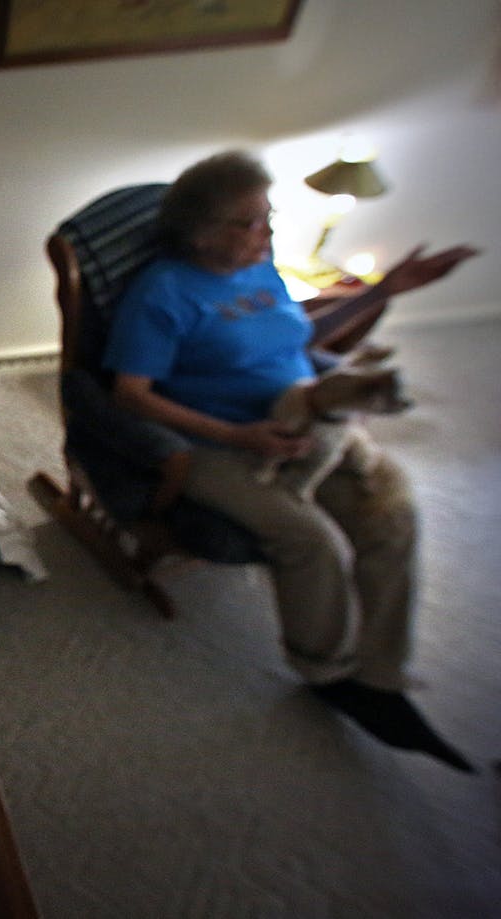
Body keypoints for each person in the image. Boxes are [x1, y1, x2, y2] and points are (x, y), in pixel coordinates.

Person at [103, 149, 479, 771]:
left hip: (305, 417)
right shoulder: (161, 294)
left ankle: (381, 679)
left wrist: (386, 291)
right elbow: (130, 393)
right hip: (219, 443)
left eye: (268, 218)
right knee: (312, 540)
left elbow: (297, 333)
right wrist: (240, 434)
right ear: (200, 233)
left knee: (392, 513)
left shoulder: (261, 267)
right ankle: (327, 671)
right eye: (249, 223)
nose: (267, 233)